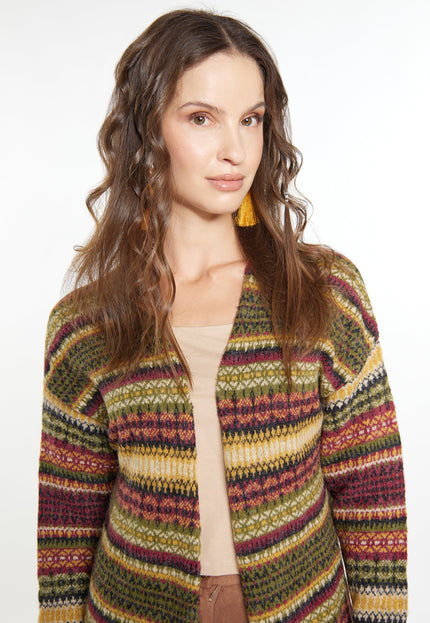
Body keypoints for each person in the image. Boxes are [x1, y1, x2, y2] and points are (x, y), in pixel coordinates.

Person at [37, 9, 407, 623]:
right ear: (147, 131)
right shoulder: (87, 324)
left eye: (251, 119)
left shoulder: (322, 292)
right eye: (201, 118)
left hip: (301, 606)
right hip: (132, 607)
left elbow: (373, 494)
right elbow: (66, 524)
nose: (235, 150)